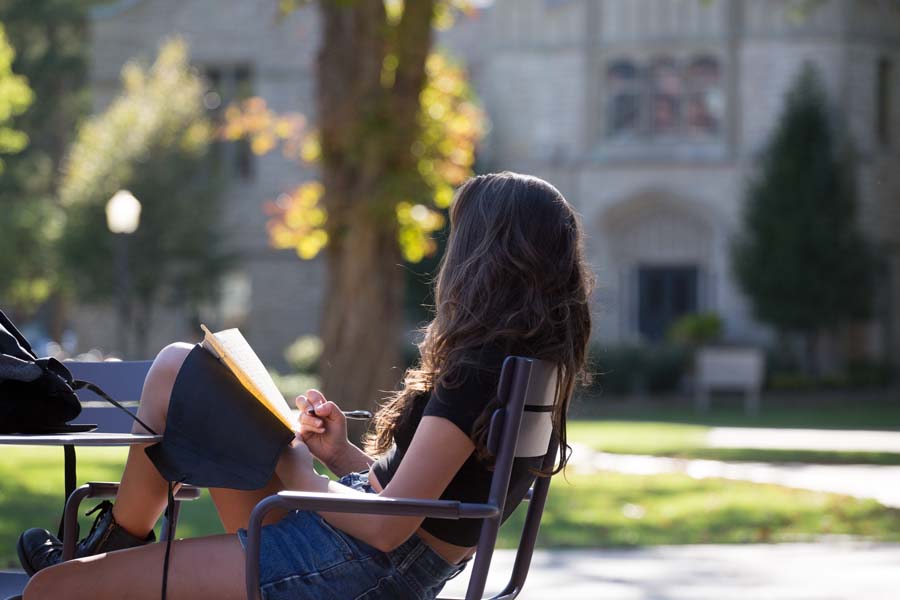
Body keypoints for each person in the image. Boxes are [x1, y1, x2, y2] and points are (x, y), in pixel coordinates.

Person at [18, 171, 593, 599]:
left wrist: (300, 468)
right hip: (370, 554)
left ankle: (115, 547)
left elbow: (386, 528)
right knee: (181, 368)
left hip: (358, 566)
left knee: (53, 590)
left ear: (483, 257)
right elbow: (421, 499)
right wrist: (338, 451)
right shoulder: (524, 366)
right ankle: (117, 546)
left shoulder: (479, 369)